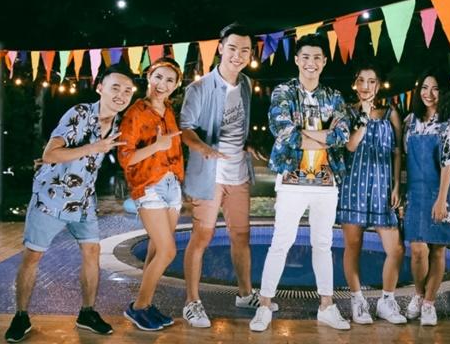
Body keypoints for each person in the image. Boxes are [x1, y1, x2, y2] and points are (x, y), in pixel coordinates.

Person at [4, 65, 135, 342]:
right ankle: (21, 316)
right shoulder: (80, 113)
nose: (121, 95)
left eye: (127, 90)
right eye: (115, 87)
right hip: (51, 197)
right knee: (33, 255)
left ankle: (87, 313)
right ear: (100, 88)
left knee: (92, 252)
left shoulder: (119, 125)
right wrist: (93, 147)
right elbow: (49, 154)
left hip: (84, 200)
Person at [249, 33, 351, 332]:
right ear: (296, 59)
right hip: (292, 179)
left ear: (324, 61)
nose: (311, 63)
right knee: (281, 241)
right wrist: (324, 137)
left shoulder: (333, 96)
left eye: (317, 57)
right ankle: (264, 306)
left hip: (326, 181)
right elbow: (284, 131)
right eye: (305, 57)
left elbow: (343, 135)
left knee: (323, 243)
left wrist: (306, 135)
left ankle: (327, 306)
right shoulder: (284, 92)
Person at [179, 23, 269, 328]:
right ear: (220, 48)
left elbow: (238, 127)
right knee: (202, 236)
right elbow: (185, 129)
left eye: (245, 50)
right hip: (210, 174)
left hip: (238, 173)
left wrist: (248, 145)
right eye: (232, 48)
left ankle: (245, 294)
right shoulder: (200, 88)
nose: (238, 55)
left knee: (241, 235)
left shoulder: (246, 84)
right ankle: (192, 302)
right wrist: (204, 149)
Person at [336, 63, 406, 325]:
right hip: (353, 186)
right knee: (353, 246)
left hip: (382, 188)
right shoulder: (346, 112)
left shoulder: (390, 113)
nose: (366, 86)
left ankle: (387, 301)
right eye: (361, 80)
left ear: (378, 85)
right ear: (355, 83)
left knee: (396, 248)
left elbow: (397, 152)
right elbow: (350, 146)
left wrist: (397, 185)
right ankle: (358, 301)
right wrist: (363, 117)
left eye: (371, 81)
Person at [118, 57, 184, 331]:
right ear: (148, 77)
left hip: (172, 186)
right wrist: (156, 146)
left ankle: (145, 304)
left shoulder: (168, 110)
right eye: (158, 77)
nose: (162, 84)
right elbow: (126, 158)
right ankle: (137, 308)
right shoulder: (135, 113)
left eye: (170, 80)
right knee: (168, 251)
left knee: (157, 249)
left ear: (176, 85)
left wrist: (178, 177)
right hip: (149, 186)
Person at [403, 70, 450, 326]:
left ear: (444, 92)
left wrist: (441, 200)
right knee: (418, 250)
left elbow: (449, 163)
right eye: (424, 88)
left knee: (438, 250)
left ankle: (429, 303)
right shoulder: (410, 121)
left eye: (435, 88)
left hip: (441, 190)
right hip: (415, 192)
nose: (428, 93)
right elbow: (405, 156)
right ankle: (418, 295)